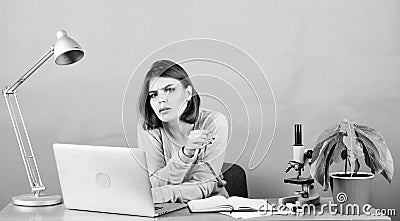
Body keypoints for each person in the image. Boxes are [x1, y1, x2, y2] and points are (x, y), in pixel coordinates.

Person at [137, 60, 229, 203]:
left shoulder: (214, 123)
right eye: (153, 94)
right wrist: (186, 154)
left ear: (188, 93)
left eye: (169, 89)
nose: (161, 99)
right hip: (163, 209)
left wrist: (159, 192)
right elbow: (153, 183)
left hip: (207, 208)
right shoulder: (149, 128)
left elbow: (203, 186)